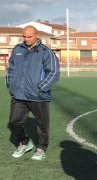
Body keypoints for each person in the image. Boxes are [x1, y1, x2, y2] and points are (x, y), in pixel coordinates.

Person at [6, 26, 60, 160]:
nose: (26, 39)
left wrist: (40, 88)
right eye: (24, 36)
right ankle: (24, 143)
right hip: (18, 94)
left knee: (42, 124)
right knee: (14, 121)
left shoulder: (45, 52)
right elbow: (11, 69)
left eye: (29, 36)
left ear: (36, 35)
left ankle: (41, 148)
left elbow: (53, 72)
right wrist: (11, 84)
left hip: (38, 96)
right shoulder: (17, 49)